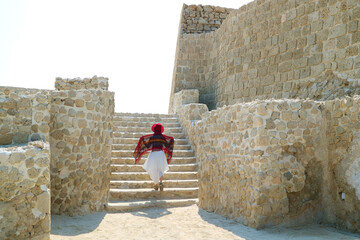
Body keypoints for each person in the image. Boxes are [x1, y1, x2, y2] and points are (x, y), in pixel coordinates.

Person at [133, 123, 174, 191]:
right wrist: (171, 141)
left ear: (154, 130)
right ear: (160, 130)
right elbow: (167, 145)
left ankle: (156, 184)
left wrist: (143, 141)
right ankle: (160, 182)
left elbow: (148, 146)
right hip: (161, 154)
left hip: (154, 154)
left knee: (153, 169)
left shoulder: (152, 137)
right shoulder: (162, 137)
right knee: (160, 169)